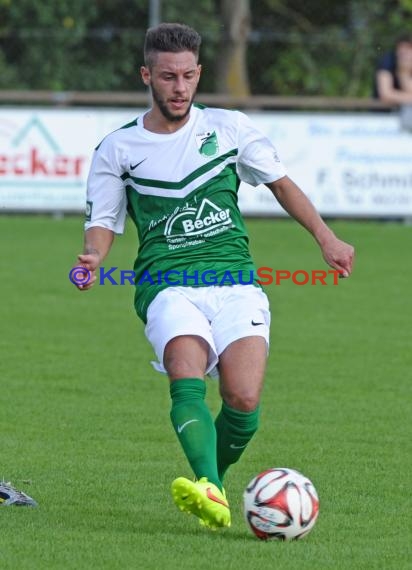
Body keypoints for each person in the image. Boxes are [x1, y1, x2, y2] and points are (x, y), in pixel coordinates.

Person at [71, 23, 354, 530]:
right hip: (167, 283)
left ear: (198, 74)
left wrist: (326, 238)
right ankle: (209, 486)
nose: (179, 87)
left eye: (187, 76)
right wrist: (93, 257)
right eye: (167, 77)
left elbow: (282, 185)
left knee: (243, 400)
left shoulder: (228, 128)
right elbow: (103, 222)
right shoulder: (117, 149)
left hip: (235, 281)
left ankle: (212, 488)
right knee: (186, 370)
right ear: (146, 76)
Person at [375, 34, 412, 104]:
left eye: (408, 48)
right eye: (400, 48)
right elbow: (385, 95)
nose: (403, 52)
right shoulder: (388, 61)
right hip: (384, 112)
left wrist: (404, 74)